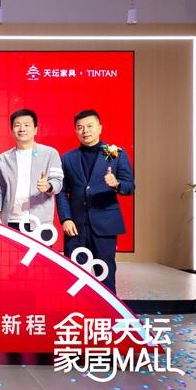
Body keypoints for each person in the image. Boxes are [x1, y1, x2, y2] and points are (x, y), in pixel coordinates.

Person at [56, 109, 135, 294]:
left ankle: (107, 311)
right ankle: (76, 309)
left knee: (105, 272)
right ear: (75, 131)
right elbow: (61, 192)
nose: (85, 131)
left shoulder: (116, 153)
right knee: (74, 275)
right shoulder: (67, 158)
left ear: (100, 128)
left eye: (90, 126)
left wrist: (116, 184)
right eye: (80, 127)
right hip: (75, 226)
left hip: (105, 225)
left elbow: (130, 186)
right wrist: (66, 219)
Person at [0, 109, 63, 232]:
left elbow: (57, 182)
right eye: (17, 125)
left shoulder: (50, 154)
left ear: (35, 129)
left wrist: (48, 186)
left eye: (27, 125)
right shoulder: (3, 158)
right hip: (10, 221)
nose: (22, 129)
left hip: (40, 222)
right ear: (12, 130)